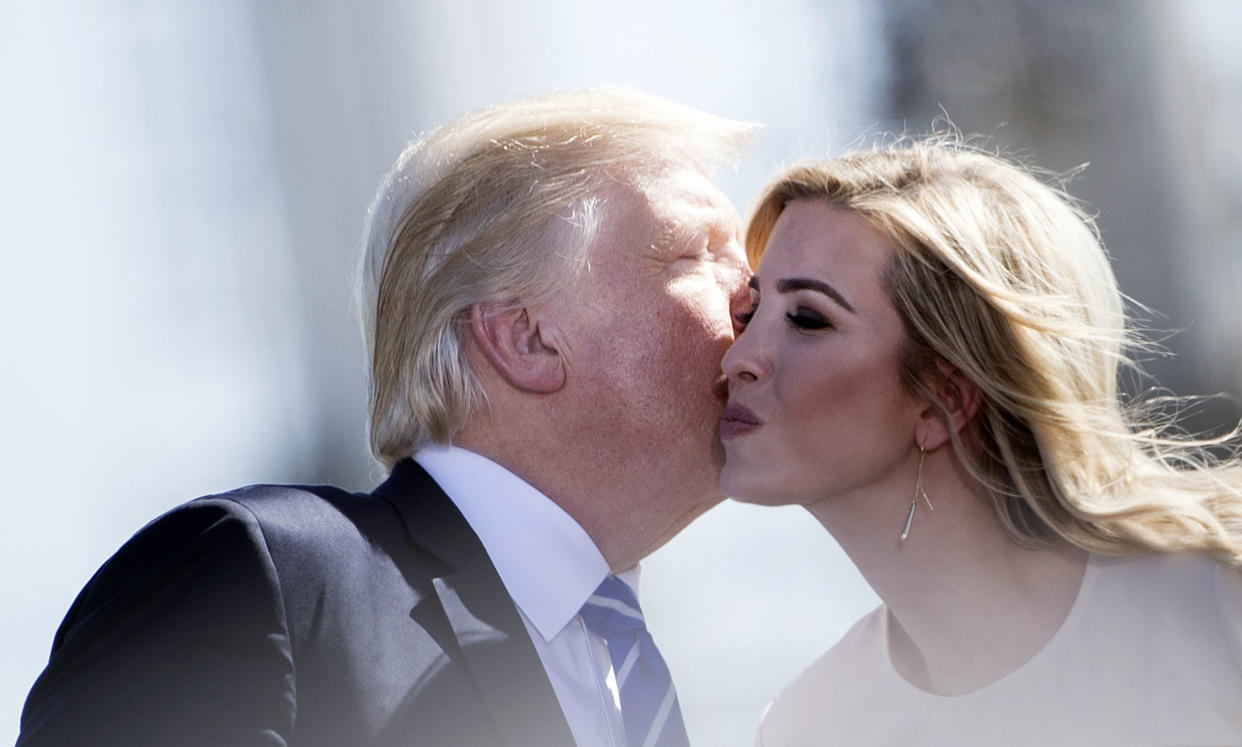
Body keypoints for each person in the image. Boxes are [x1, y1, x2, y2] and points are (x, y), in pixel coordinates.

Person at [18, 87, 756, 747]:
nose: (755, 291)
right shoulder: (262, 581)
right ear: (525, 337)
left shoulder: (627, 670)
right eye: (696, 253)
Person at [720, 137, 1242, 746]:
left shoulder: (1216, 611)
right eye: (749, 312)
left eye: (807, 319)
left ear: (946, 398)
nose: (738, 359)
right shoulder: (811, 726)